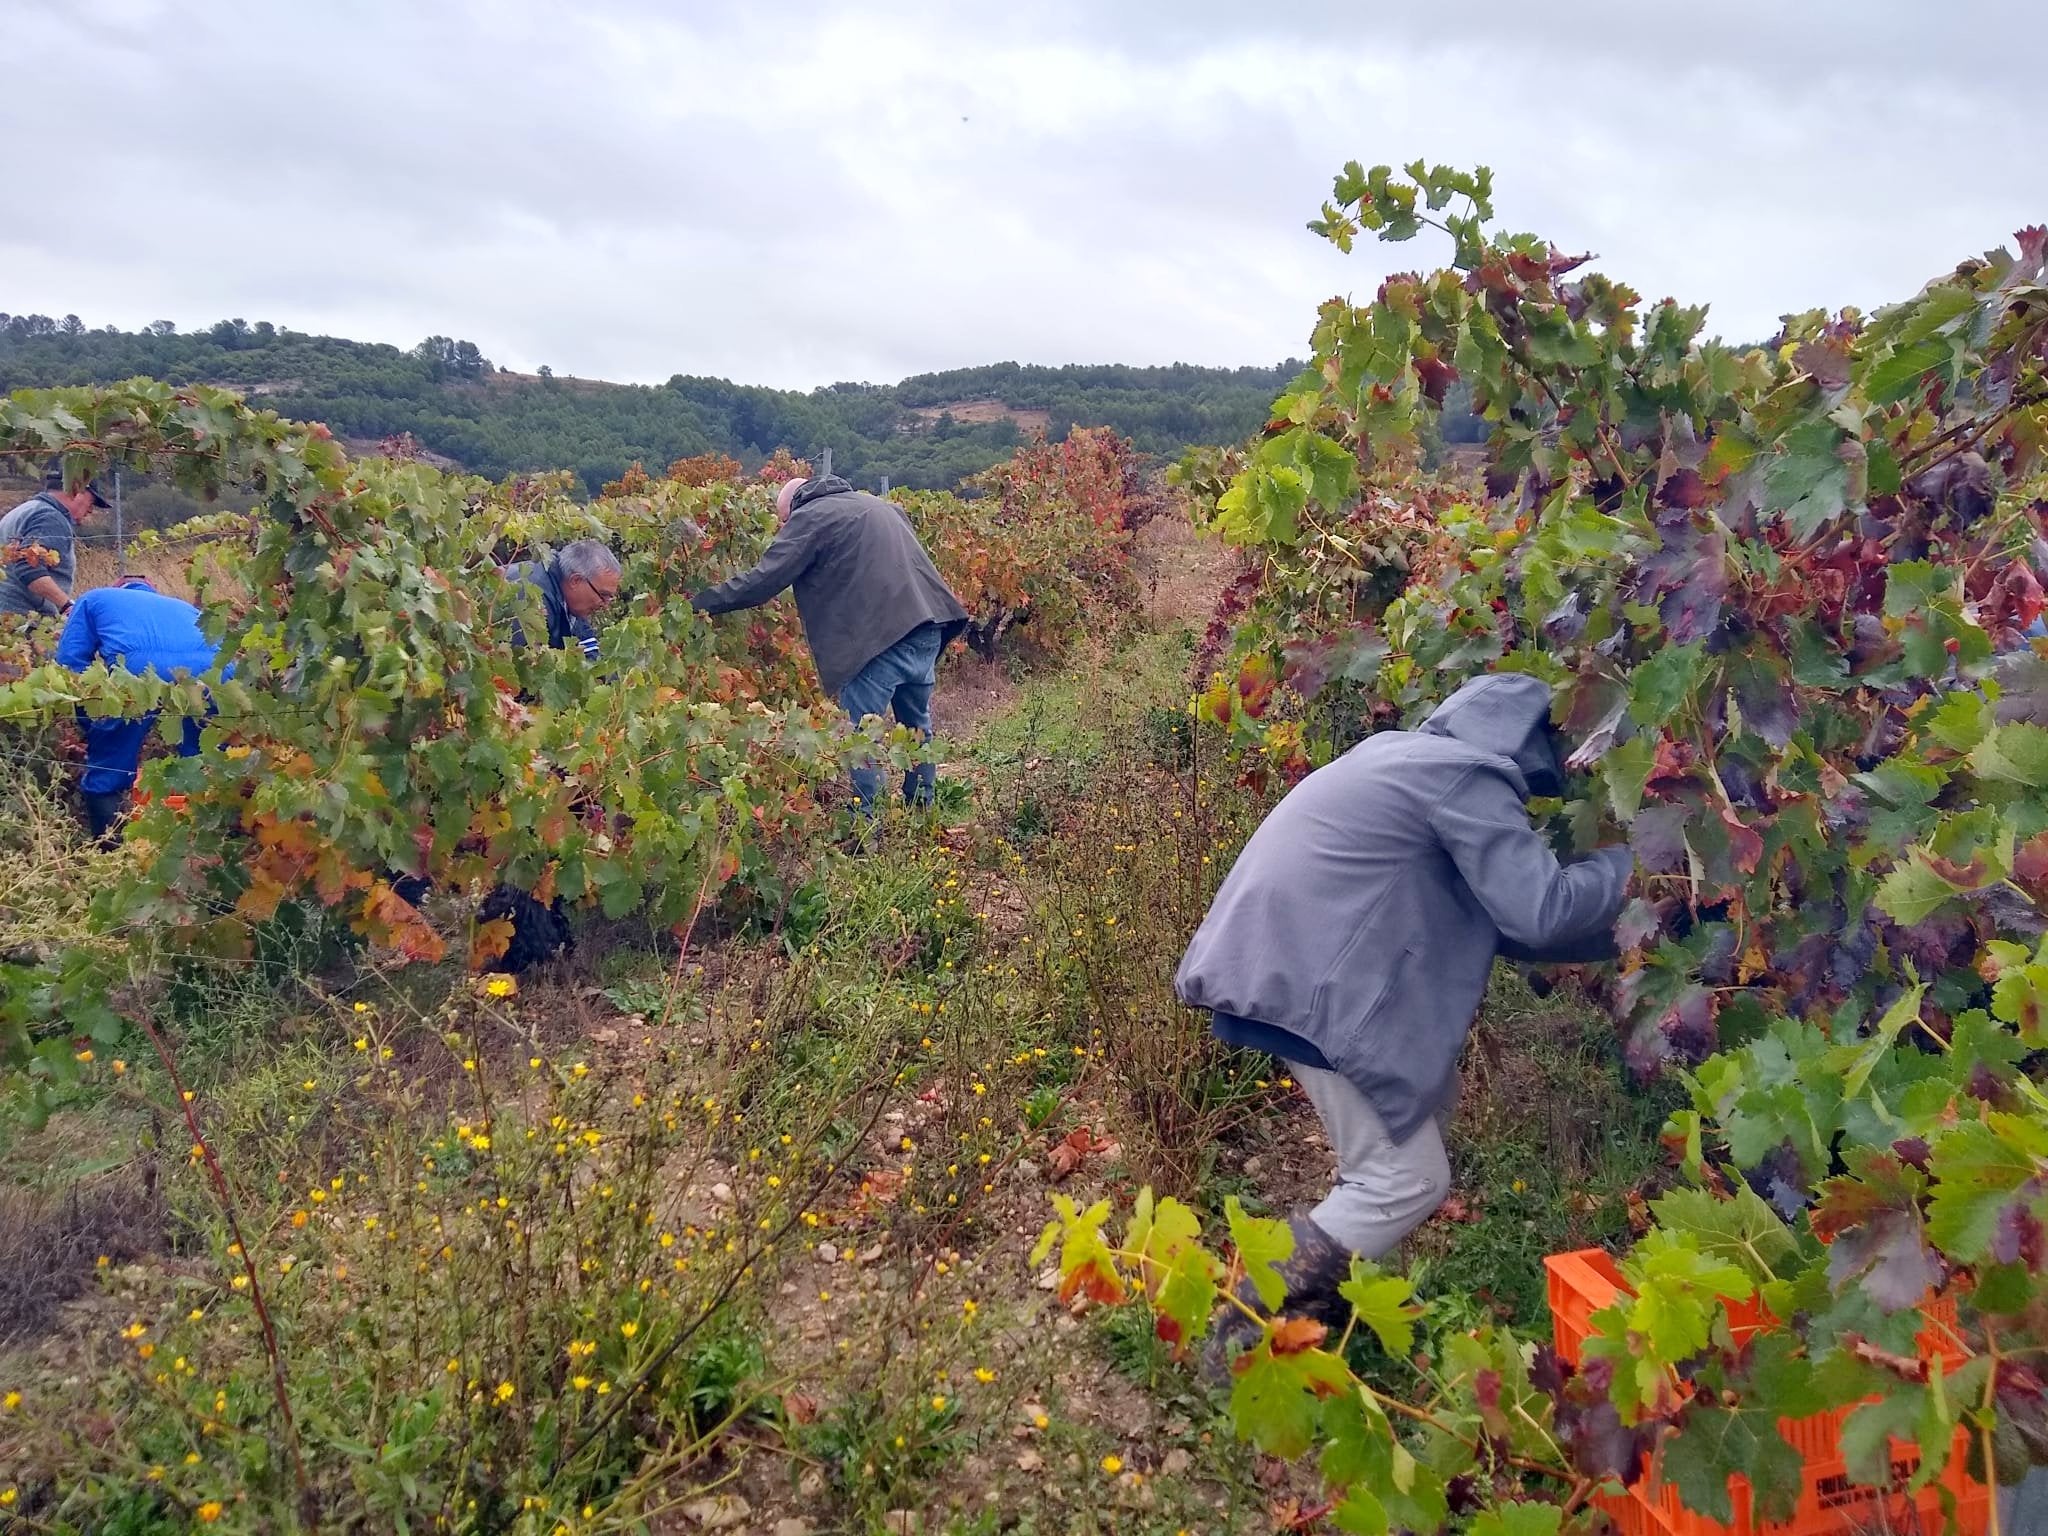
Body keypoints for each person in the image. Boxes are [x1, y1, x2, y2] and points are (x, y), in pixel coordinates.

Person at [1175, 672, 1633, 1357]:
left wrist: (1638, 928)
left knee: (1412, 1126)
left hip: (1286, 964)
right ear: (1528, 739)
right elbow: (1538, 912)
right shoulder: (1465, 776)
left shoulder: (1407, 758)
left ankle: (1324, 1317)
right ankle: (1244, 1321)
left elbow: (1509, 924)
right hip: (1313, 984)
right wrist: (1644, 869)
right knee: (1408, 1177)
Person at [690, 474, 968, 813]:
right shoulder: (877, 505)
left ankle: (866, 826)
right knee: (916, 725)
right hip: (928, 624)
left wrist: (700, 603)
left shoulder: (810, 516)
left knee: (863, 736)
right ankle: (922, 810)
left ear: (792, 509)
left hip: (878, 638)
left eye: (783, 523)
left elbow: (762, 581)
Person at [54, 575, 221, 842]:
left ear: (117, 586)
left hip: (138, 670)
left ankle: (111, 852)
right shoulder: (182, 606)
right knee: (205, 765)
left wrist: (95, 727)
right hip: (217, 673)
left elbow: (70, 665)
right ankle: (204, 846)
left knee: (110, 770)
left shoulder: (94, 597)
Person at [1, 458, 110, 618]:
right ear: (76, 490)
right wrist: (67, 607)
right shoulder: (51, 517)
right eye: (91, 502)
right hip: (23, 620)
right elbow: (29, 567)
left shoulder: (24, 510)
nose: (91, 510)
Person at [504, 538, 620, 654]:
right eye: (603, 595)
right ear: (576, 580)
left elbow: (587, 650)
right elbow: (526, 664)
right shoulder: (532, 598)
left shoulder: (570, 602)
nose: (605, 605)